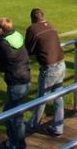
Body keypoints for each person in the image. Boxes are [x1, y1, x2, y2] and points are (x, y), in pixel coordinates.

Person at [25, 8, 65, 137]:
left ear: (32, 19)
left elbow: (28, 50)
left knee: (41, 98)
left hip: (50, 67)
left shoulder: (32, 29)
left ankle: (32, 124)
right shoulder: (51, 25)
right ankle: (58, 127)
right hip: (61, 63)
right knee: (58, 96)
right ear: (43, 17)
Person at [0, 17, 31, 149]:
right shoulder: (17, 35)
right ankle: (19, 145)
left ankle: (16, 145)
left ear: (0, 30)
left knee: (12, 116)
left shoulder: (3, 43)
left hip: (16, 81)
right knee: (16, 114)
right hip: (25, 77)